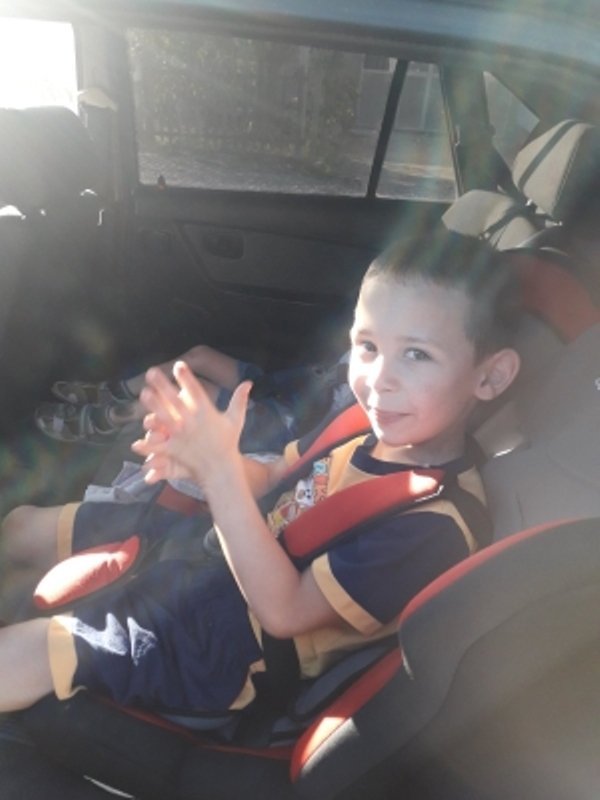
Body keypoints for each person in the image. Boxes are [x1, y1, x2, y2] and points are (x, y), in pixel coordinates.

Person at [0, 230, 521, 715]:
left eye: (417, 355)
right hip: (216, 554)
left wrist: (220, 476)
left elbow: (284, 613)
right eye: (367, 346)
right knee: (21, 527)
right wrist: (208, 462)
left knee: (28, 650)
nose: (379, 378)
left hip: (229, 644)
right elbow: (272, 479)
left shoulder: (433, 525)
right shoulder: (359, 425)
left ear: (491, 377)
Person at [34, 344, 353, 453]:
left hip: (279, 425)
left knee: (186, 389)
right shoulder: (369, 344)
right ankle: (112, 393)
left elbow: (323, 429)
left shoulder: (371, 397)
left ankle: (102, 423)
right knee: (198, 356)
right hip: (283, 392)